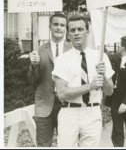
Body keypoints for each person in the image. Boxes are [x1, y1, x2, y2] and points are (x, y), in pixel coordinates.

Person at [52, 14, 114, 147]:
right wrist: (89, 87)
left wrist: (103, 76)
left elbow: (109, 92)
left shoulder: (101, 57)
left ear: (88, 31)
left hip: (92, 111)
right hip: (69, 113)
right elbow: (61, 94)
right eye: (72, 30)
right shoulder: (62, 60)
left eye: (80, 29)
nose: (76, 33)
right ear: (68, 34)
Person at [28, 13, 72, 147]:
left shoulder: (73, 50)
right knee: (43, 144)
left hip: (67, 104)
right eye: (56, 24)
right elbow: (32, 81)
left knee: (67, 144)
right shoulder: (39, 50)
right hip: (44, 105)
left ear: (66, 29)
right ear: (50, 27)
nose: (59, 28)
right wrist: (33, 66)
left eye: (62, 25)